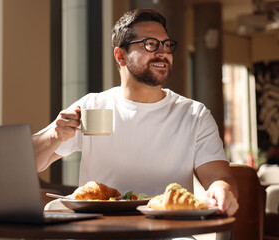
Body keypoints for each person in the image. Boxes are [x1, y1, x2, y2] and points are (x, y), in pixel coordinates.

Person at [33, 8, 239, 217]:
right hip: (99, 230)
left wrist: (222, 189)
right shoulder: (92, 107)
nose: (163, 52)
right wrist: (54, 136)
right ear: (120, 56)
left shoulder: (194, 114)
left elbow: (218, 176)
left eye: (167, 45)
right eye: (150, 44)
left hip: (169, 231)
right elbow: (29, 163)